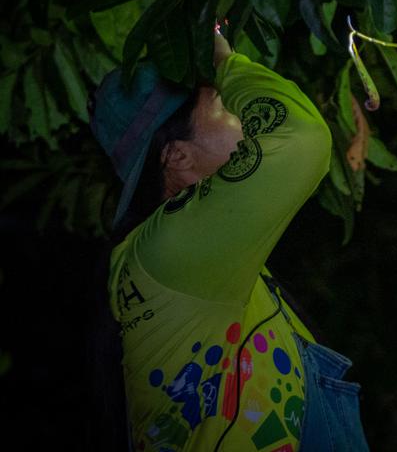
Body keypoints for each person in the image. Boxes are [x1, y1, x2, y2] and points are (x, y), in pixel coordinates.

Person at [88, 30, 370, 451]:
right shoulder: (173, 249)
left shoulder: (191, 255)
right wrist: (225, 63)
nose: (243, 116)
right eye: (224, 106)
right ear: (178, 155)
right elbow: (300, 138)